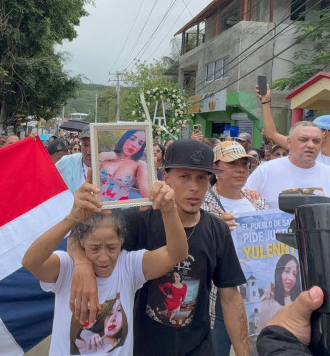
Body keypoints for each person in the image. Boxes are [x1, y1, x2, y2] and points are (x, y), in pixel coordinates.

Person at [70, 139, 249, 355]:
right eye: (184, 176)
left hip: (197, 347)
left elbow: (230, 297)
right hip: (140, 346)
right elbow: (78, 237)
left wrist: (243, 352)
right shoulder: (138, 219)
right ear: (166, 178)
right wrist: (82, 265)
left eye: (202, 178)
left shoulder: (217, 229)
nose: (194, 187)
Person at [22, 174, 188, 356]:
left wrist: (169, 210)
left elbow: (176, 253)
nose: (103, 258)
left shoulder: (129, 266)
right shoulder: (66, 267)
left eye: (111, 247)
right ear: (81, 242)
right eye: (94, 248)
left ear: (122, 240)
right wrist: (72, 219)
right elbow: (31, 262)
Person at [203, 140, 266, 355]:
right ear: (215, 168)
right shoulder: (202, 204)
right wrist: (213, 227)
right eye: (232, 164)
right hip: (219, 293)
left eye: (245, 164)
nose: (241, 169)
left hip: (256, 291)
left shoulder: (258, 204)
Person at [258, 86, 330, 195]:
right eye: (304, 138)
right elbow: (271, 134)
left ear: (325, 133)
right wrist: (265, 102)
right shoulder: (306, 154)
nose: (309, 143)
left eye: (315, 129)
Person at [245, 121, 330, 209]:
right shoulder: (264, 172)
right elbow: (243, 204)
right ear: (289, 142)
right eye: (304, 140)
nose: (311, 145)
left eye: (316, 141)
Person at [97, 130, 150, 201]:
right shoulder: (106, 157)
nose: (134, 145)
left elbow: (147, 194)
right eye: (132, 139)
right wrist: (100, 158)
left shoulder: (140, 164)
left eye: (140, 143)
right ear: (124, 139)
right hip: (96, 206)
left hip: (120, 209)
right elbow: (89, 180)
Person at [257, 254, 301, 331]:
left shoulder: (301, 297)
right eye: (287, 271)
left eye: (294, 274)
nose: (290, 278)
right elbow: (262, 333)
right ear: (279, 273)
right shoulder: (269, 301)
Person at [57, 129, 92, 195]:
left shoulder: (109, 167)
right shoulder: (66, 162)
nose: (89, 152)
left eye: (93, 146)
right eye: (85, 145)